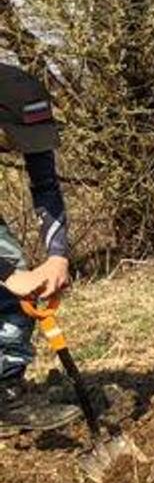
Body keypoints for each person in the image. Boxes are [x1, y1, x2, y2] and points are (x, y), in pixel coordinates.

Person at [0, 62, 82, 431]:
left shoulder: (27, 109)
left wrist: (57, 255)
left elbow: (46, 187)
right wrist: (6, 275)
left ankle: (5, 388)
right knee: (10, 268)